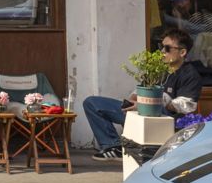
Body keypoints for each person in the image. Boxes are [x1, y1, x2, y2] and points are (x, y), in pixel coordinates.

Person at [83, 28, 202, 162]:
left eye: (167, 48)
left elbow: (187, 106)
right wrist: (133, 103)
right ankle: (114, 146)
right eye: (160, 47)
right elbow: (138, 91)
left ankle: (123, 147)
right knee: (92, 103)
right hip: (140, 111)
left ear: (182, 52)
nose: (162, 51)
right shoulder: (157, 69)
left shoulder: (190, 74)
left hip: (166, 121)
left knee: (158, 106)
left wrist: (155, 102)